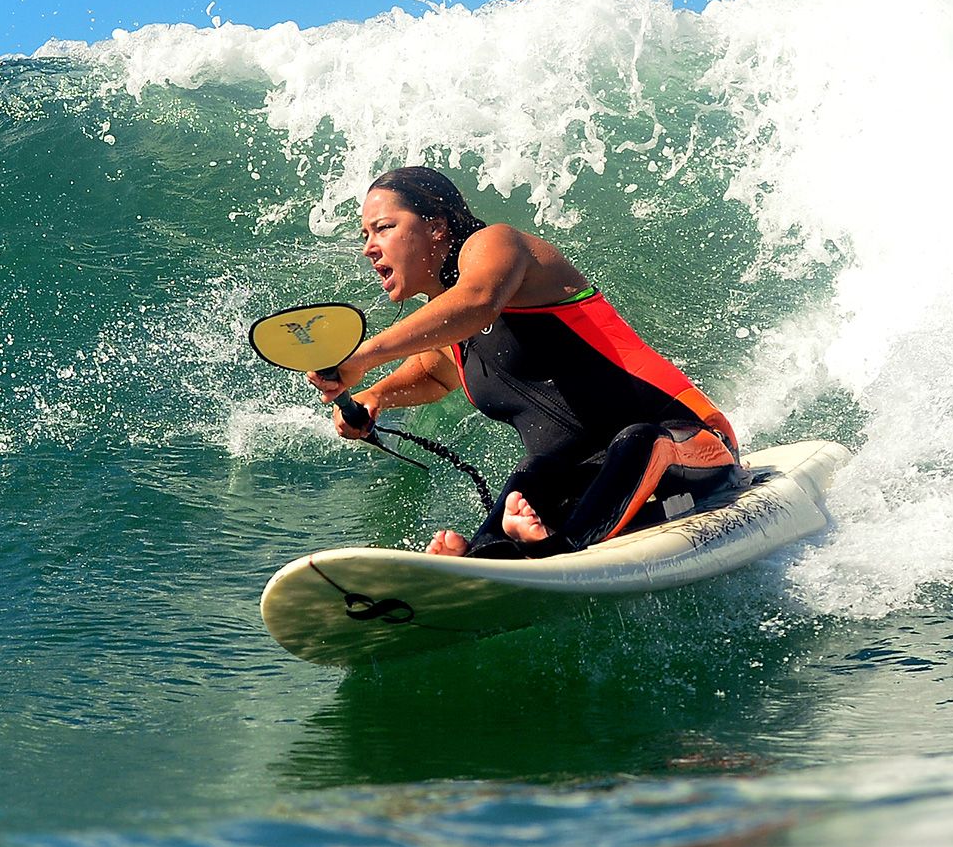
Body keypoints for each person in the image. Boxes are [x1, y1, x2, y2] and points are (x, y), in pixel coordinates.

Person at [307, 166, 742, 558]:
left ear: (436, 225)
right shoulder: (449, 331)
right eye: (364, 235)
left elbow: (478, 301)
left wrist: (362, 356)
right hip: (594, 484)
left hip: (688, 446)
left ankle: (562, 550)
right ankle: (483, 557)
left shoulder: (496, 245)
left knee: (639, 439)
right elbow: (434, 375)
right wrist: (373, 395)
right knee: (534, 472)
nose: (369, 248)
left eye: (383, 228)